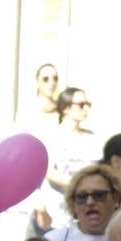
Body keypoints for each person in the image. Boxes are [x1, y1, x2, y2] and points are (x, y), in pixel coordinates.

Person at [36, 87, 101, 232]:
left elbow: (99, 169)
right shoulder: (52, 136)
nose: (86, 109)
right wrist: (75, 184)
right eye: (81, 105)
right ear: (66, 108)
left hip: (84, 212)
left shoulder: (93, 138)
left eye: (88, 104)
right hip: (57, 214)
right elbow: (47, 170)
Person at [16, 63, 59, 135]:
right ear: (37, 82)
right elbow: (20, 134)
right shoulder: (27, 106)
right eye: (45, 79)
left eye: (55, 78)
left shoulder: (61, 106)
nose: (52, 83)